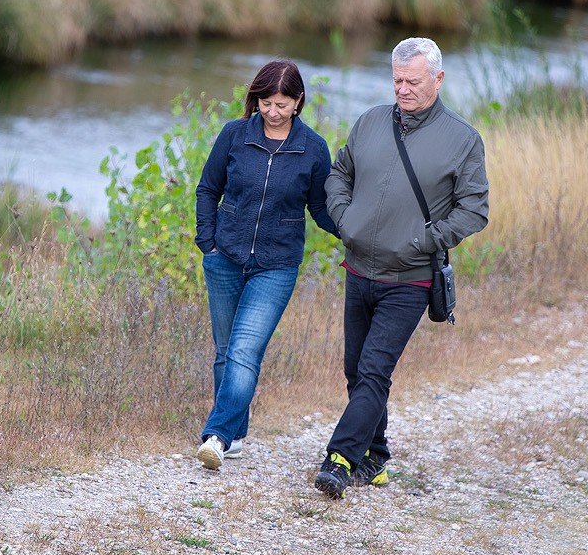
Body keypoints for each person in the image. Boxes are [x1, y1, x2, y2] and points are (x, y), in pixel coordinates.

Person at [314, 37, 489, 498]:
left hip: (409, 278)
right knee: (356, 370)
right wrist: (344, 218)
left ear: (438, 79)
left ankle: (339, 459)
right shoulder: (371, 121)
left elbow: (474, 210)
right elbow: (339, 173)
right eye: (397, 80)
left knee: (374, 370)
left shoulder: (463, 139)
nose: (403, 89)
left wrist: (424, 241)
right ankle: (375, 457)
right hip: (358, 269)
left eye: (413, 81)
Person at [194, 59, 340, 469]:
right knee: (225, 351)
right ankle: (236, 435)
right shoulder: (234, 135)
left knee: (244, 350)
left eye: (281, 104)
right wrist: (208, 243)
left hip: (275, 266)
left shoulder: (312, 148)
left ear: (298, 102)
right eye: (265, 103)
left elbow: (321, 208)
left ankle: (216, 437)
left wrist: (355, 234)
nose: (272, 112)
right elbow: (208, 189)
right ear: (255, 99)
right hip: (225, 258)